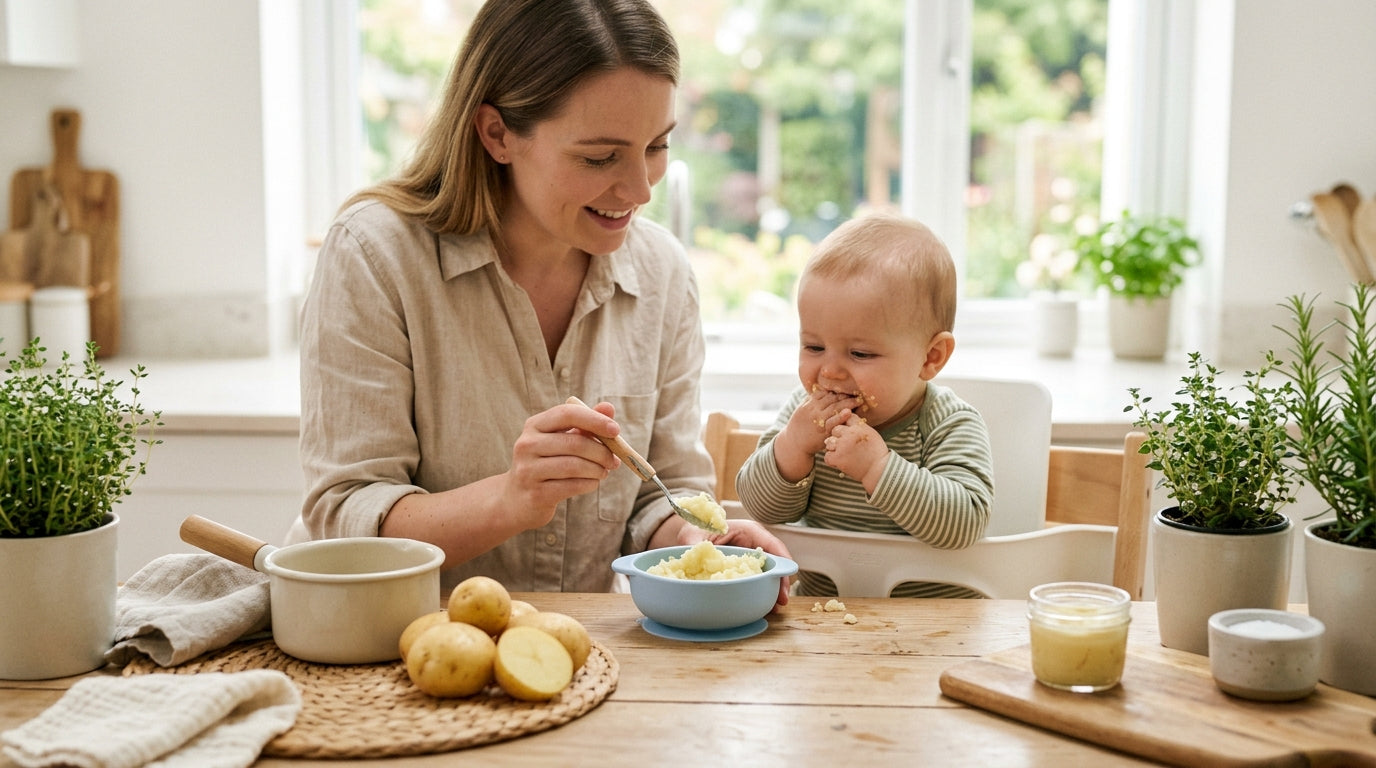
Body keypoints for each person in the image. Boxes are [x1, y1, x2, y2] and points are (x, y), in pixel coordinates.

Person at [288, 0, 789, 605]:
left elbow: (660, 491)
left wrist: (697, 539)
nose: (639, 189)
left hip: (586, 654)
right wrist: (510, 499)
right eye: (600, 157)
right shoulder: (374, 256)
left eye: (656, 145)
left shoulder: (661, 273)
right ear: (497, 133)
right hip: (399, 644)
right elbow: (344, 516)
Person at [734, 213, 994, 598]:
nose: (831, 371)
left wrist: (878, 467)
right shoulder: (802, 415)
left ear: (931, 357)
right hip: (824, 621)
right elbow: (762, 508)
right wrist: (793, 446)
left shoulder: (948, 424)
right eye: (814, 347)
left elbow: (965, 522)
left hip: (934, 629)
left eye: (860, 353)